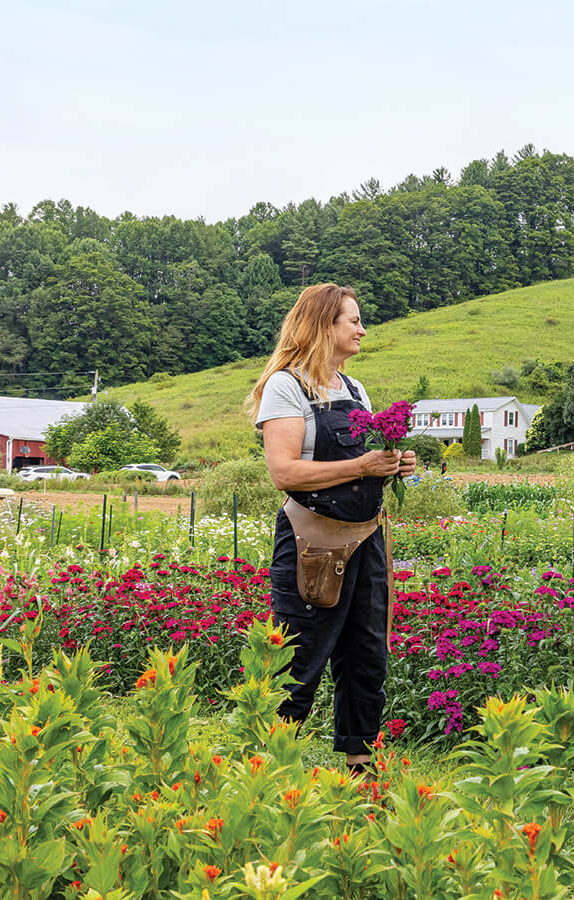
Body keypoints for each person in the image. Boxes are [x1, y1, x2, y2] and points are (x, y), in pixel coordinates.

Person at [247, 282, 417, 776]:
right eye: (353, 320)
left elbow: (365, 461)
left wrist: (393, 464)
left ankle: (360, 764)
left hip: (365, 538)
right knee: (298, 655)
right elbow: (284, 472)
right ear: (324, 325)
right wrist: (365, 464)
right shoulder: (286, 386)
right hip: (312, 542)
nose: (362, 328)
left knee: (366, 653)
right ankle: (267, 764)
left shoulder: (354, 388)